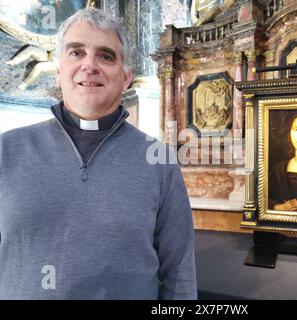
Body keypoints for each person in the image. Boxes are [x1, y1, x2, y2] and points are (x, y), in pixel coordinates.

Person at [0, 8, 197, 299]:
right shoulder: (6, 151)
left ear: (126, 77)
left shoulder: (160, 162)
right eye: (76, 53)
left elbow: (179, 272)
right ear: (58, 71)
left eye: (106, 56)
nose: (89, 65)